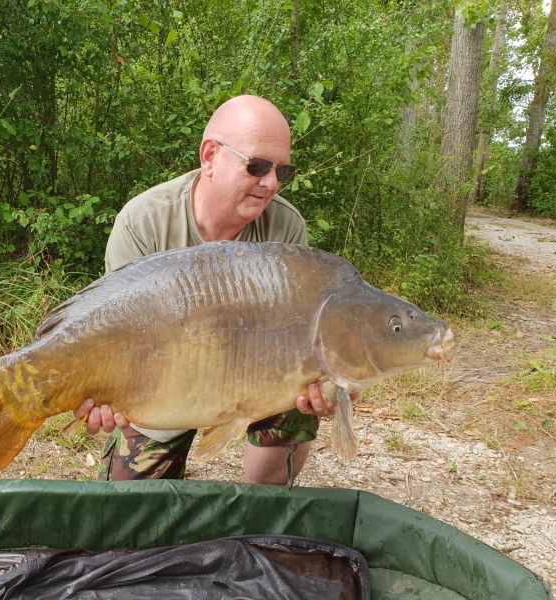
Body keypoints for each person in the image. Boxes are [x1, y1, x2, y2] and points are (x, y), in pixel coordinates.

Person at [73, 95, 351, 485]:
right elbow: (116, 339)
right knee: (129, 518)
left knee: (300, 381)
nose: (270, 182)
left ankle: (262, 507)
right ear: (210, 157)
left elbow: (298, 335)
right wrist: (105, 394)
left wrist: (329, 381)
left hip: (252, 376)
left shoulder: (285, 231)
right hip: (163, 383)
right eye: (256, 166)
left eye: (281, 171)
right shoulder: (144, 223)